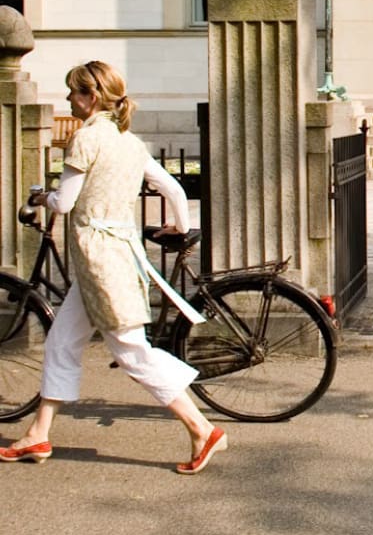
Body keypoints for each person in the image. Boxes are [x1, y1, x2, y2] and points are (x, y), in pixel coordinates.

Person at [0, 60, 227, 474]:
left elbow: (65, 204)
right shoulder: (128, 141)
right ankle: (38, 433)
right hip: (116, 254)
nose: (69, 99)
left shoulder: (86, 139)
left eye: (73, 92)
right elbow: (173, 187)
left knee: (131, 351)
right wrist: (180, 225)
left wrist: (40, 198)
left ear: (90, 97)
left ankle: (201, 428)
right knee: (61, 341)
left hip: (97, 258)